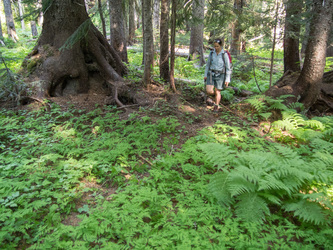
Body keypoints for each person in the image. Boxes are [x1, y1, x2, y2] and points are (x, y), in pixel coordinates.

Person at [204, 39, 231, 112]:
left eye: (217, 46)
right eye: (215, 46)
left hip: (221, 75)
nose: (216, 48)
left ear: (221, 46)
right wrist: (205, 74)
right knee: (209, 91)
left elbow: (228, 67)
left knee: (217, 91)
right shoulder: (212, 53)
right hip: (211, 73)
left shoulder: (224, 54)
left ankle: (216, 105)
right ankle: (214, 99)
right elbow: (208, 64)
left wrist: (227, 79)